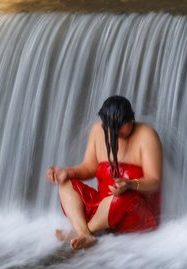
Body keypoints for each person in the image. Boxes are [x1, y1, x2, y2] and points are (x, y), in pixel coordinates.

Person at [46, 95, 162, 250]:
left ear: (131, 118)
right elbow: (89, 168)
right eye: (111, 127)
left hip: (136, 214)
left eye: (121, 125)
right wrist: (67, 172)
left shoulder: (147, 136)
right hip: (102, 210)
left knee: (121, 198)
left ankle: (80, 232)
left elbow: (154, 180)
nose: (116, 131)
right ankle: (84, 233)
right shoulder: (97, 131)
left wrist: (130, 184)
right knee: (66, 184)